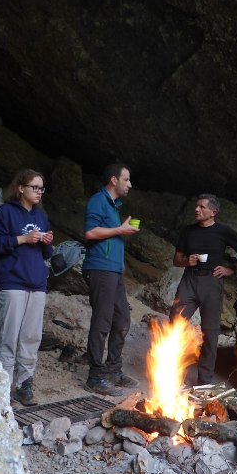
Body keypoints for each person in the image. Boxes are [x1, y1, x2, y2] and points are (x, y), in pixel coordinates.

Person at [0, 169, 54, 406]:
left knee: (32, 337)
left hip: (37, 282)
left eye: (41, 188)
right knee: (9, 336)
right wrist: (22, 239)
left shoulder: (41, 216)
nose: (39, 192)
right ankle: (2, 385)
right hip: (12, 281)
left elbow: (46, 253)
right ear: (21, 188)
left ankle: (25, 384)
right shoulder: (5, 212)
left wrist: (46, 243)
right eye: (35, 187)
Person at [171, 194, 237, 387]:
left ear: (213, 212)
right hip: (189, 280)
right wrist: (186, 261)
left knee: (210, 332)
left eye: (202, 207)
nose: (197, 210)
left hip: (212, 282)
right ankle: (174, 376)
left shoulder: (223, 231)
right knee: (175, 325)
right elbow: (176, 259)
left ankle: (203, 381)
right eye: (196, 206)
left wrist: (232, 269)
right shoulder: (188, 231)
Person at [82, 162, 140, 396]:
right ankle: (95, 376)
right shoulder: (98, 201)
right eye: (126, 179)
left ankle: (113, 369)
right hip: (100, 268)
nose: (130, 184)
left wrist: (121, 231)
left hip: (114, 271)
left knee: (122, 319)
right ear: (114, 180)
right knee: (102, 321)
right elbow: (90, 232)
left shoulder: (114, 206)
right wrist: (119, 231)